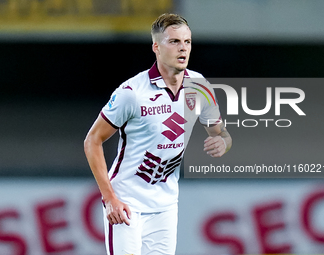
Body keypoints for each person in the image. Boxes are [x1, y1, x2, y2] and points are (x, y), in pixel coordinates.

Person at [84, 13, 232, 255]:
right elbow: (92, 140)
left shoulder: (200, 86)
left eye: (187, 42)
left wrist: (223, 142)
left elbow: (220, 133)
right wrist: (110, 198)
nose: (183, 48)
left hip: (165, 206)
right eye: (174, 42)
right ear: (156, 47)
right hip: (127, 203)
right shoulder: (132, 93)